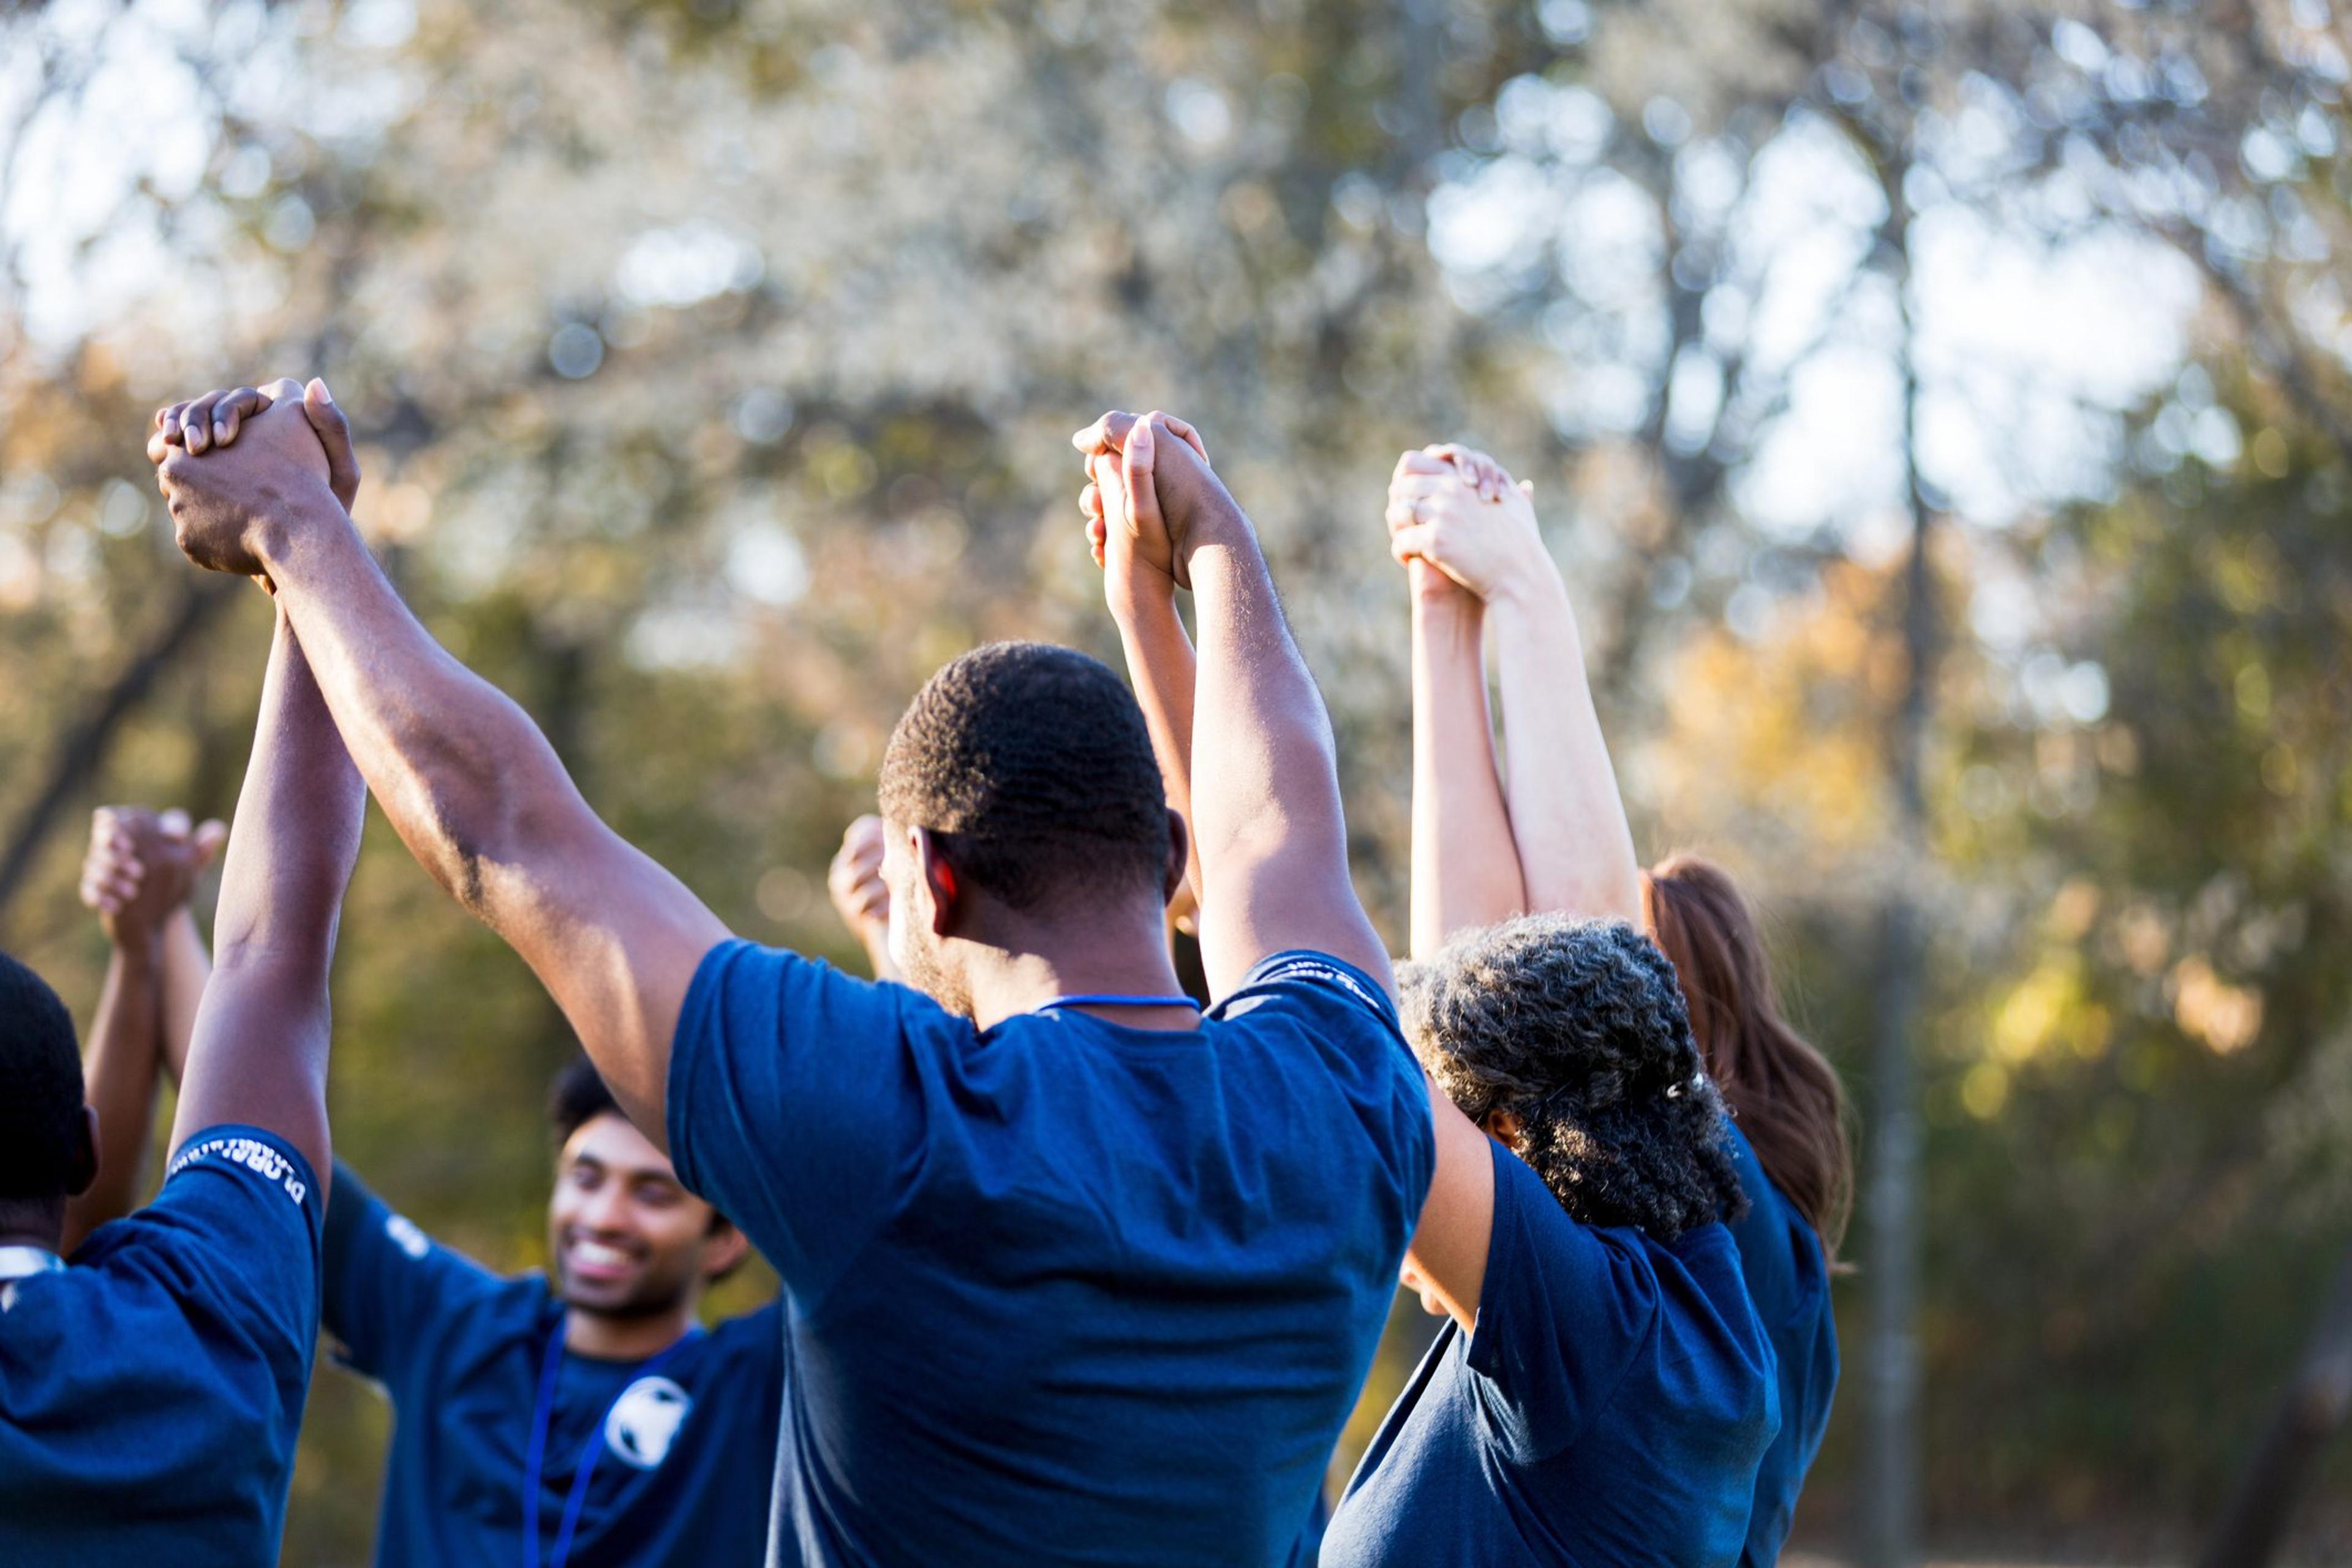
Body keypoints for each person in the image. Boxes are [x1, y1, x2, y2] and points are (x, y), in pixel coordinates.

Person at [149, 380, 1434, 1566]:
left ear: (931, 880)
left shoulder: (897, 1124)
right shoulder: (1345, 1089)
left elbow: (505, 825)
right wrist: (1212, 546)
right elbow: (1278, 829)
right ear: (1168, 855)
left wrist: (296, 526)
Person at [1081, 418, 1780, 1566]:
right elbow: (1491, 958)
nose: (1398, 1141)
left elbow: (1312, 995)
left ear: (1506, 1135)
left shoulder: (1601, 1346)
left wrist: (1218, 546)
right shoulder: (1668, 1304)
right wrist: (1149, 611)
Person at [69, 805, 788, 1567]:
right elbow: (249, 1120)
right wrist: (159, 918)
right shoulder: (459, 1332)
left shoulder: (764, 1385)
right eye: (586, 1177)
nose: (604, 1216)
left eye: (653, 1194)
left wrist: (896, 934)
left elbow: (896, 1229)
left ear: (726, 1240)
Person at [1378, 443, 1850, 1564]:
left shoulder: (1743, 1237)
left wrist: (1529, 600)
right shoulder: (1639, 1261)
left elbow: (1555, 985)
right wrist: (1439, 612)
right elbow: (1479, 1004)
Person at [0, 602, 365, 1558]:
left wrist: (144, 952)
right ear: (79, 1150)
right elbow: (270, 961)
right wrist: (295, 533)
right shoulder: (206, 1328)